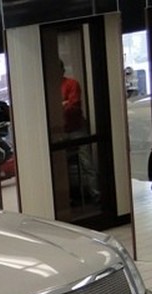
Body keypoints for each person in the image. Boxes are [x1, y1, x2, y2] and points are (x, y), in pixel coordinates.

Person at [60, 60, 99, 204]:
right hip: (60, 131)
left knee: (86, 163)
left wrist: (62, 105)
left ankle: (96, 195)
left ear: (62, 70)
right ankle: (66, 199)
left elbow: (73, 105)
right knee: (60, 167)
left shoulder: (72, 84)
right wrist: (62, 104)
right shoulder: (50, 88)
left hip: (76, 128)